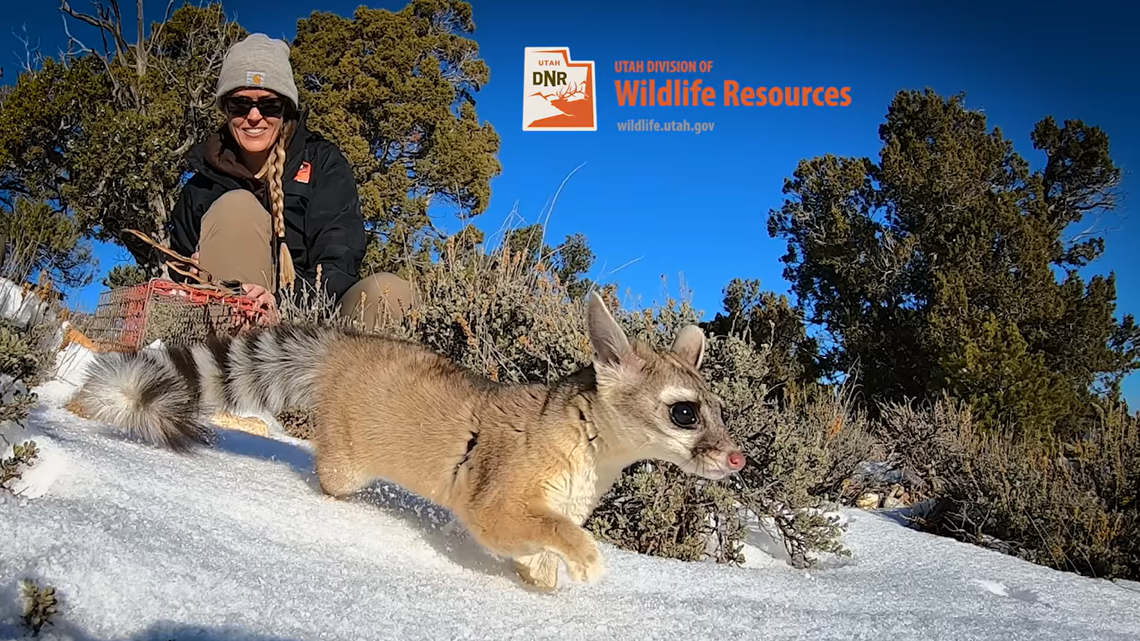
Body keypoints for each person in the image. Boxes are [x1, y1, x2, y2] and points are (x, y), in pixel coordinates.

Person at [167, 33, 417, 329]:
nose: (254, 117)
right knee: (236, 208)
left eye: (269, 105)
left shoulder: (323, 163)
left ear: (286, 107)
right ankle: (240, 370)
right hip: (236, 340)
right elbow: (176, 278)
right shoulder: (200, 189)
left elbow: (339, 260)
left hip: (316, 325)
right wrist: (196, 278)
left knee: (391, 293)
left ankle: (341, 376)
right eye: (240, 105)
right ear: (225, 110)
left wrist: (282, 304)